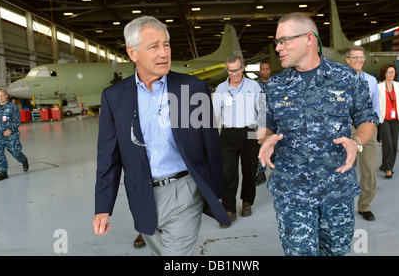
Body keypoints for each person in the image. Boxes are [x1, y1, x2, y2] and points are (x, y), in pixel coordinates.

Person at [93, 15, 230, 256]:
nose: (164, 53)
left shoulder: (190, 90)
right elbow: (108, 158)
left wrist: (216, 191)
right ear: (132, 53)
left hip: (184, 191)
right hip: (141, 194)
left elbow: (211, 145)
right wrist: (103, 207)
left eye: (166, 44)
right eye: (154, 46)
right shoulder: (115, 97)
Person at [257, 12, 378, 256]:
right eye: (277, 42)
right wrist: (265, 137)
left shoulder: (347, 78)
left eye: (284, 40)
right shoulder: (272, 85)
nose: (278, 47)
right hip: (292, 191)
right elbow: (262, 125)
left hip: (337, 187)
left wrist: (357, 141)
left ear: (309, 39)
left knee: (336, 252)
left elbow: (367, 119)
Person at [212, 54, 261, 227]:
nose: (234, 74)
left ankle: (247, 201)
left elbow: (261, 111)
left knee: (250, 169)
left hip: (250, 133)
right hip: (228, 134)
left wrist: (262, 133)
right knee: (228, 172)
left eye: (237, 70)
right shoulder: (220, 88)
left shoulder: (253, 86)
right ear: (227, 69)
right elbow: (216, 114)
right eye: (230, 70)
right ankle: (229, 208)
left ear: (242, 68)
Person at [345, 46, 380, 221]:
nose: (359, 60)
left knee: (369, 169)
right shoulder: (339, 81)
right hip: (346, 129)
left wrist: (375, 125)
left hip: (368, 128)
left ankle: (364, 205)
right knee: (344, 168)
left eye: (361, 57)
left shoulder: (372, 81)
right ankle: (344, 205)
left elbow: (376, 105)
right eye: (355, 57)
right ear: (347, 60)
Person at [0, 89, 28, 181]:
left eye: (2, 96)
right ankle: (3, 172)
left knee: (15, 152)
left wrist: (10, 130)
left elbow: (17, 120)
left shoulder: (13, 107)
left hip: (11, 135)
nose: (0, 98)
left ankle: (24, 160)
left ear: (6, 96)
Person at [255, 61, 273, 186]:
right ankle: (260, 173)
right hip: (259, 119)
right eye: (263, 69)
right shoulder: (255, 85)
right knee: (258, 146)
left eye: (267, 69)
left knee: (276, 146)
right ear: (260, 71)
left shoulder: (276, 83)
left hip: (274, 118)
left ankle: (277, 172)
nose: (265, 71)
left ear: (270, 70)